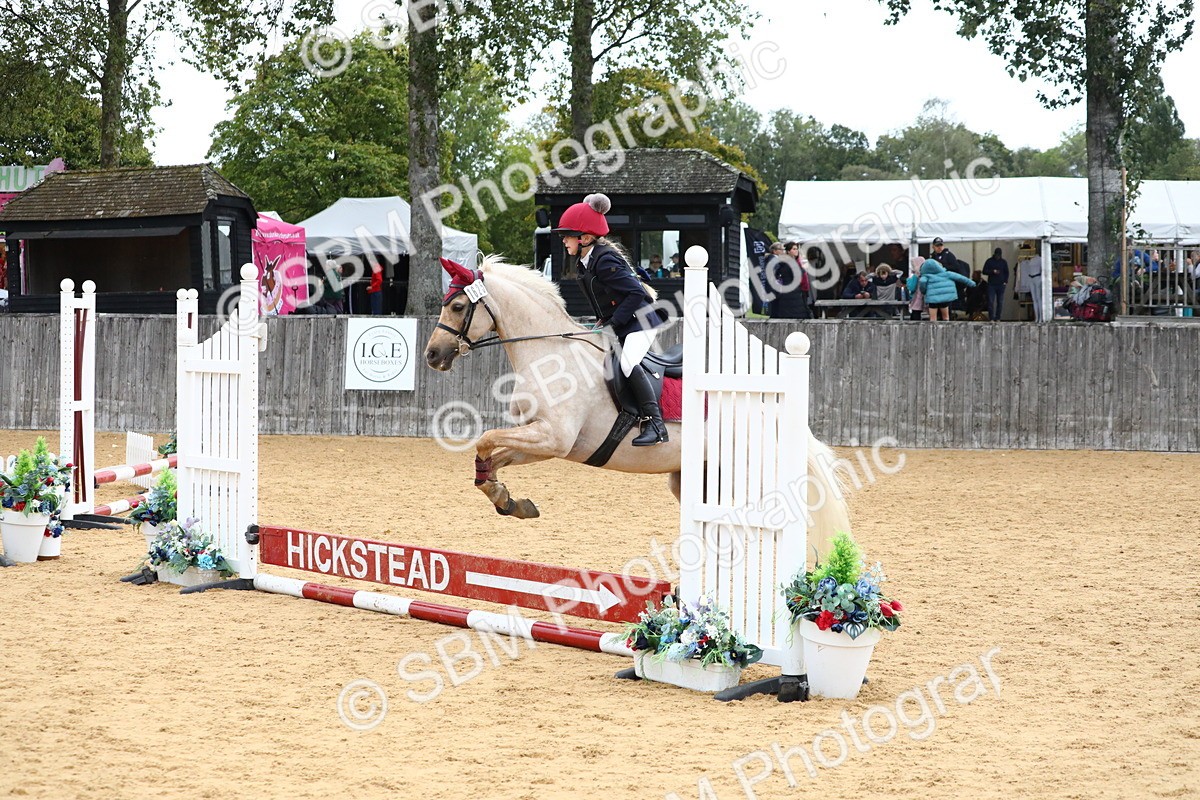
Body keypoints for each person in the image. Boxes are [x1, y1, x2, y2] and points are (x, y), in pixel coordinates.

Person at [553, 192, 669, 446]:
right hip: (625, 320)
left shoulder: (604, 260)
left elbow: (636, 293)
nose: (563, 240)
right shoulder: (587, 261)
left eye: (567, 236)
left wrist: (613, 323)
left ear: (585, 238)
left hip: (642, 320)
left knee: (627, 364)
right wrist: (602, 321)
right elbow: (608, 299)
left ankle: (656, 424)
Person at [908, 258, 975, 322]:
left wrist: (924, 292)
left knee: (933, 318)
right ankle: (946, 330)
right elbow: (961, 278)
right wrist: (972, 283)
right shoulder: (947, 273)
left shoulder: (925, 276)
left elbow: (922, 284)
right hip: (945, 299)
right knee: (946, 317)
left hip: (932, 300)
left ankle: (933, 332)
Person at [770, 242, 812, 319]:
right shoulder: (789, 263)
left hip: (792, 293)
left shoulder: (787, 262)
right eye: (794, 249)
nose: (796, 251)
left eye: (797, 249)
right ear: (788, 251)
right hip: (791, 294)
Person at [982, 247, 1008, 320]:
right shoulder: (989, 261)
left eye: (999, 255)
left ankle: (998, 318)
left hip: (1001, 285)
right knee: (990, 302)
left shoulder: (1003, 262)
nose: (997, 256)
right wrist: (992, 271)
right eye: (997, 255)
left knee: (1000, 302)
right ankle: (991, 318)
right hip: (991, 284)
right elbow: (984, 271)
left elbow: (1007, 272)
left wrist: (1005, 281)